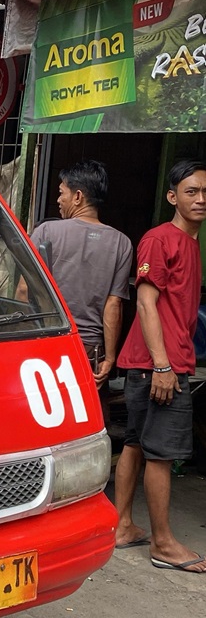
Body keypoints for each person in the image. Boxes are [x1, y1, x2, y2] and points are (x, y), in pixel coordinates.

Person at [113, 160, 206, 572]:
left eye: (205, 192)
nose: (201, 199)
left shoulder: (190, 242)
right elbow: (146, 302)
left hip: (150, 363)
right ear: (172, 196)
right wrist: (164, 366)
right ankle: (163, 545)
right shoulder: (159, 239)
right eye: (191, 191)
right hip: (160, 364)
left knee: (135, 442)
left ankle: (122, 527)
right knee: (162, 455)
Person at [27, 160, 133, 387]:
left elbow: (25, 290)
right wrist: (110, 358)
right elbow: (113, 305)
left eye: (61, 193)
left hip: (48, 341)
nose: (58, 200)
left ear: (77, 197)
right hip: (91, 351)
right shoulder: (121, 243)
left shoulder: (47, 231)